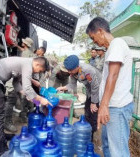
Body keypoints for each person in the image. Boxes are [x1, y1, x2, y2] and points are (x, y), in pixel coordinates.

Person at [0, 56, 51, 157]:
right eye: (39, 70)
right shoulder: (28, 64)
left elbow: (16, 82)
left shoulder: (25, 63)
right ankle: (2, 149)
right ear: (37, 64)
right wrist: (41, 99)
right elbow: (27, 87)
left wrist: (26, 94)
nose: (37, 73)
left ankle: (0, 137)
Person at [86, 17, 134, 157]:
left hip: (116, 108)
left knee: (118, 152)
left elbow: (113, 75)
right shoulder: (111, 49)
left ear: (100, 31)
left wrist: (104, 106)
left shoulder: (117, 44)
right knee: (107, 146)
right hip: (111, 107)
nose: (94, 41)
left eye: (93, 37)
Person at [57, 55, 102, 141]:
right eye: (68, 70)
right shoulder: (73, 73)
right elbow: (72, 85)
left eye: (71, 70)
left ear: (77, 66)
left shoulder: (87, 71)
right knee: (87, 112)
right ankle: (88, 132)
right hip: (90, 91)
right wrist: (62, 88)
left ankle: (90, 137)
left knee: (92, 112)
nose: (69, 72)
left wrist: (94, 102)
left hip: (99, 91)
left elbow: (95, 86)